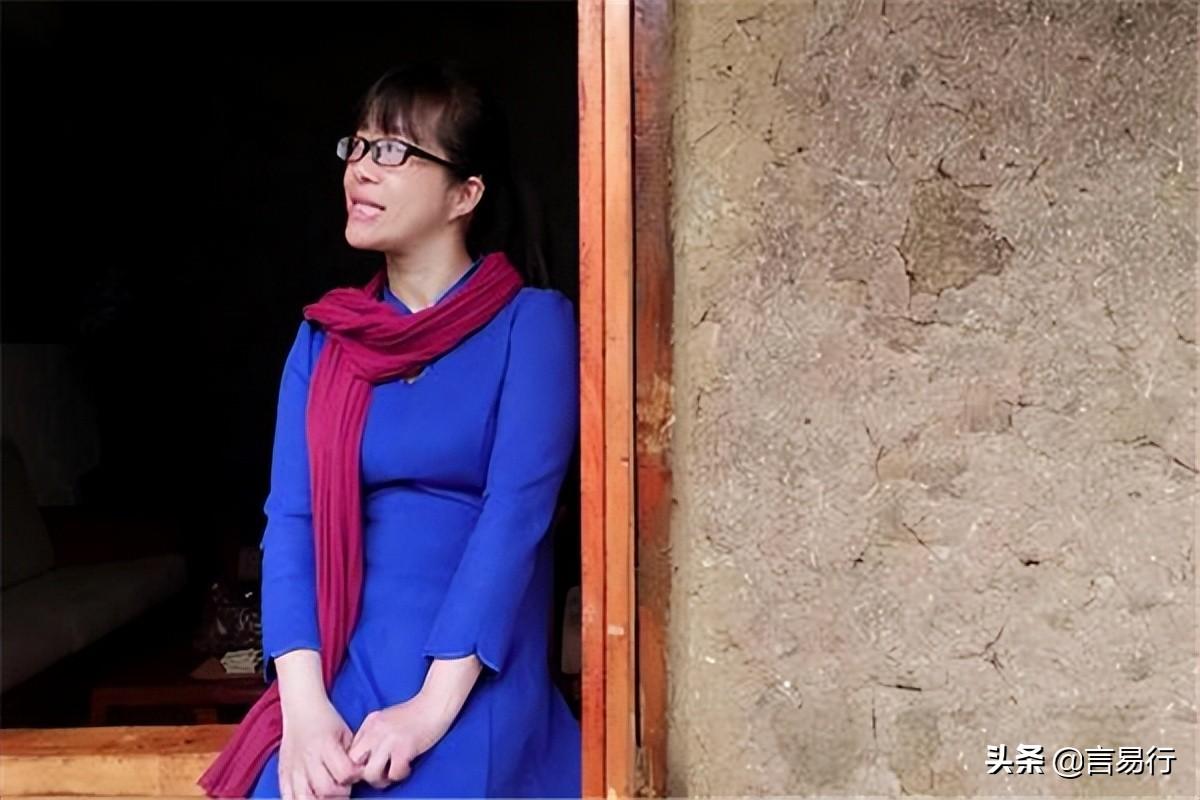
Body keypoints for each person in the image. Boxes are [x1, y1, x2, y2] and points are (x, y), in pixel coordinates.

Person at [196, 60, 581, 799]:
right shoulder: (325, 341)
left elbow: (514, 521)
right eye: (359, 146)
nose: (361, 169)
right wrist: (304, 711)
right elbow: (293, 521)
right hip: (343, 657)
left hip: (473, 662)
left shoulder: (531, 327)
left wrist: (428, 711)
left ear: (465, 194)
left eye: (395, 151)